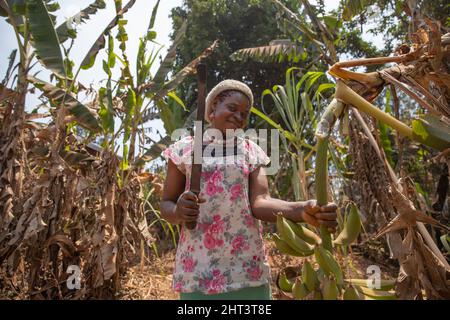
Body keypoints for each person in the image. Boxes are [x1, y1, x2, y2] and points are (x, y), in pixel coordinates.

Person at [160, 79, 337, 300]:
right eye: (232, 108)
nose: (239, 117)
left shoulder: (250, 151)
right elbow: (166, 203)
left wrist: (301, 209)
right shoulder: (184, 148)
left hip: (246, 264)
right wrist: (178, 211)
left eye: (244, 114)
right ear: (213, 107)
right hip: (199, 267)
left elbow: (260, 202)